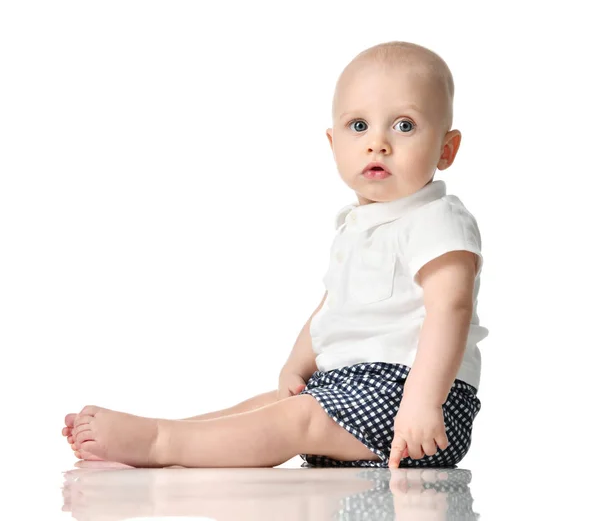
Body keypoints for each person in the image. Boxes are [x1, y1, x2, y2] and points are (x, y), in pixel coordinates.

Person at [61, 40, 488, 469]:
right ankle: (174, 435)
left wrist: (422, 402)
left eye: (404, 125)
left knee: (295, 418)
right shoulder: (357, 228)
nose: (377, 143)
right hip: (349, 387)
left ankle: (158, 443)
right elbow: (333, 308)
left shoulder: (436, 218)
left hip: (418, 402)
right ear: (332, 141)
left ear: (446, 150)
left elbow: (450, 307)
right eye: (358, 126)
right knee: (268, 405)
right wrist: (296, 364)